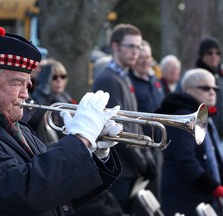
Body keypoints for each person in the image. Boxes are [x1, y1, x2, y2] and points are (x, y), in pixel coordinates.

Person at [0, 27, 123, 216]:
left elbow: (56, 192)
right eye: (17, 83)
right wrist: (81, 139)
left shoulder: (15, 126)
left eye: (27, 84)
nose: (25, 94)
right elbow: (25, 194)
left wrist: (94, 152)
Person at [92, 23, 157, 215]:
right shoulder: (108, 79)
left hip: (130, 168)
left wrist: (146, 156)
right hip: (119, 168)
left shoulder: (123, 77)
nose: (135, 52)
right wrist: (142, 163)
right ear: (115, 47)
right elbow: (117, 128)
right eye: (130, 46)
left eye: (138, 47)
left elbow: (135, 123)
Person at [157, 68, 223, 216]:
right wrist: (213, 188)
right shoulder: (183, 115)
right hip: (184, 197)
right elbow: (186, 159)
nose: (212, 92)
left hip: (200, 195)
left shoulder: (207, 118)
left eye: (215, 88)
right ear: (189, 90)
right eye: (205, 88)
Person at [129, 40, 164, 203]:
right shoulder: (130, 81)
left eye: (148, 57)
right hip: (142, 148)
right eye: (141, 57)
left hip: (158, 146)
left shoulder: (155, 80)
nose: (145, 61)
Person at [28, 59, 77, 146]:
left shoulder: (66, 98)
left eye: (62, 76)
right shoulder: (38, 98)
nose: (59, 80)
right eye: (54, 77)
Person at [195, 37, 223, 140]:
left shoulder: (220, 77)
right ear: (202, 55)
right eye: (209, 53)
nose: (214, 56)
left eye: (217, 53)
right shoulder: (195, 76)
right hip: (204, 134)